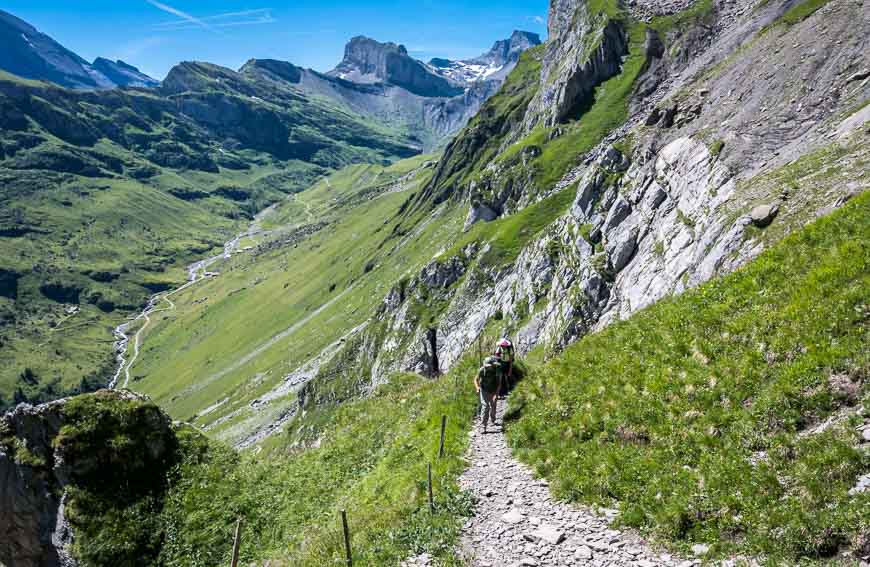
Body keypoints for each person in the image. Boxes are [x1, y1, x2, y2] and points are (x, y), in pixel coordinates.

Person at [474, 354, 503, 433]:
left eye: (488, 366)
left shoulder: (497, 371)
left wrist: (496, 395)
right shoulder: (482, 370)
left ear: (493, 365)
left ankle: (493, 419)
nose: (487, 367)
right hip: (484, 390)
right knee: (485, 406)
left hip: (493, 389)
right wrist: (477, 388)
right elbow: (476, 379)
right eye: (486, 366)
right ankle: (483, 426)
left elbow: (499, 384)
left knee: (493, 405)